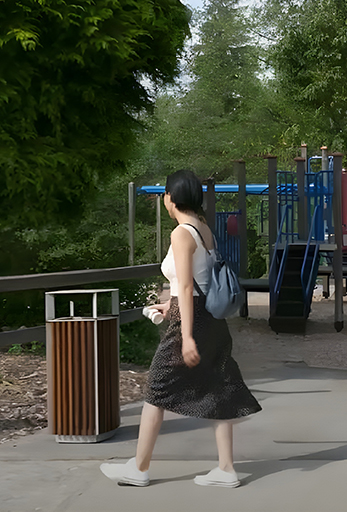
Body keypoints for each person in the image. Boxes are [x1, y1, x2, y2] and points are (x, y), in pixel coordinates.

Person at [101, 170, 261, 488]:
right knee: (218, 388)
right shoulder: (204, 229)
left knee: (156, 391)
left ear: (169, 199)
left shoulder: (181, 234)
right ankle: (226, 469)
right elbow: (192, 285)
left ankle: (139, 468)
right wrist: (169, 305)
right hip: (211, 319)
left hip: (191, 323)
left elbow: (187, 287)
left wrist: (186, 336)